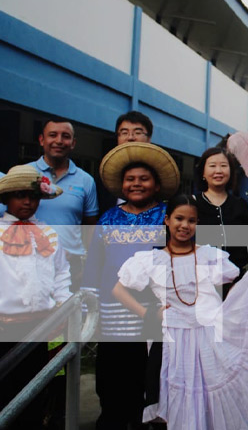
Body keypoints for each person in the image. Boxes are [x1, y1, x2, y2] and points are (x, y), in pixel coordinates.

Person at [113, 194, 248, 429]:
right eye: (179, 219)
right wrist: (147, 314)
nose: (184, 226)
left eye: (191, 221)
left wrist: (240, 302)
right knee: (183, 396)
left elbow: (236, 281)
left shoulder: (209, 255)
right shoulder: (151, 259)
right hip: (175, 338)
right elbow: (119, 289)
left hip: (211, 333)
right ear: (167, 220)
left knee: (216, 389)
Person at [81, 142, 180, 430]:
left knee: (149, 379)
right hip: (113, 316)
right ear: (122, 185)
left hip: (154, 315)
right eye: (130, 179)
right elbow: (94, 264)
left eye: (144, 178)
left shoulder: (167, 217)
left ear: (157, 184)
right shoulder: (108, 219)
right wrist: (91, 305)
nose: (136, 184)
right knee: (112, 381)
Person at [0, 165, 69, 429]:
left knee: (37, 390)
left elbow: (61, 274)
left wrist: (63, 308)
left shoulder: (49, 234)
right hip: (6, 327)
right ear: (6, 198)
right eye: (19, 195)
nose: (27, 202)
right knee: (6, 391)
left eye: (32, 196)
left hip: (42, 328)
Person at [30, 117, 99, 290]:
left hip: (71, 266)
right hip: (30, 262)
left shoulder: (86, 180)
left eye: (65, 136)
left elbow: (90, 227)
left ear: (73, 143)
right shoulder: (25, 174)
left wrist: (86, 262)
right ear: (41, 140)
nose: (59, 141)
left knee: (70, 315)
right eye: (52, 135)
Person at [194, 147, 248, 270]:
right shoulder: (192, 203)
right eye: (212, 166)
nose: (218, 170)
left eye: (223, 165)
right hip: (201, 278)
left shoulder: (240, 205)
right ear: (203, 172)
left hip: (236, 279)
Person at [97, 111, 154, 214]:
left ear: (149, 139)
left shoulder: (159, 175)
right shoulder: (103, 182)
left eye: (137, 132)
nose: (130, 137)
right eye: (124, 133)